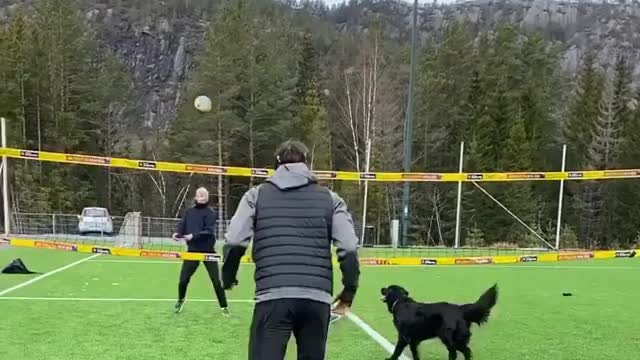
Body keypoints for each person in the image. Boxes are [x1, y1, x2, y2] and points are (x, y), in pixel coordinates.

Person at [222, 140, 360, 360]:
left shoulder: (255, 195)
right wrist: (349, 291)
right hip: (317, 297)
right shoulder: (330, 199)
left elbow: (235, 241)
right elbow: (349, 248)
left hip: (273, 295)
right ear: (306, 163)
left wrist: (227, 277)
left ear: (276, 164)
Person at [172, 187, 229, 315]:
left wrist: (193, 236)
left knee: (216, 281)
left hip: (208, 252)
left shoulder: (211, 213)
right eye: (199, 194)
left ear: (207, 197)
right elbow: (182, 225)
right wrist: (177, 233)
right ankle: (180, 300)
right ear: (196, 197)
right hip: (192, 251)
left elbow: (208, 231)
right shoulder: (189, 212)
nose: (202, 196)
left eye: (204, 195)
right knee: (183, 280)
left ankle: (224, 306)